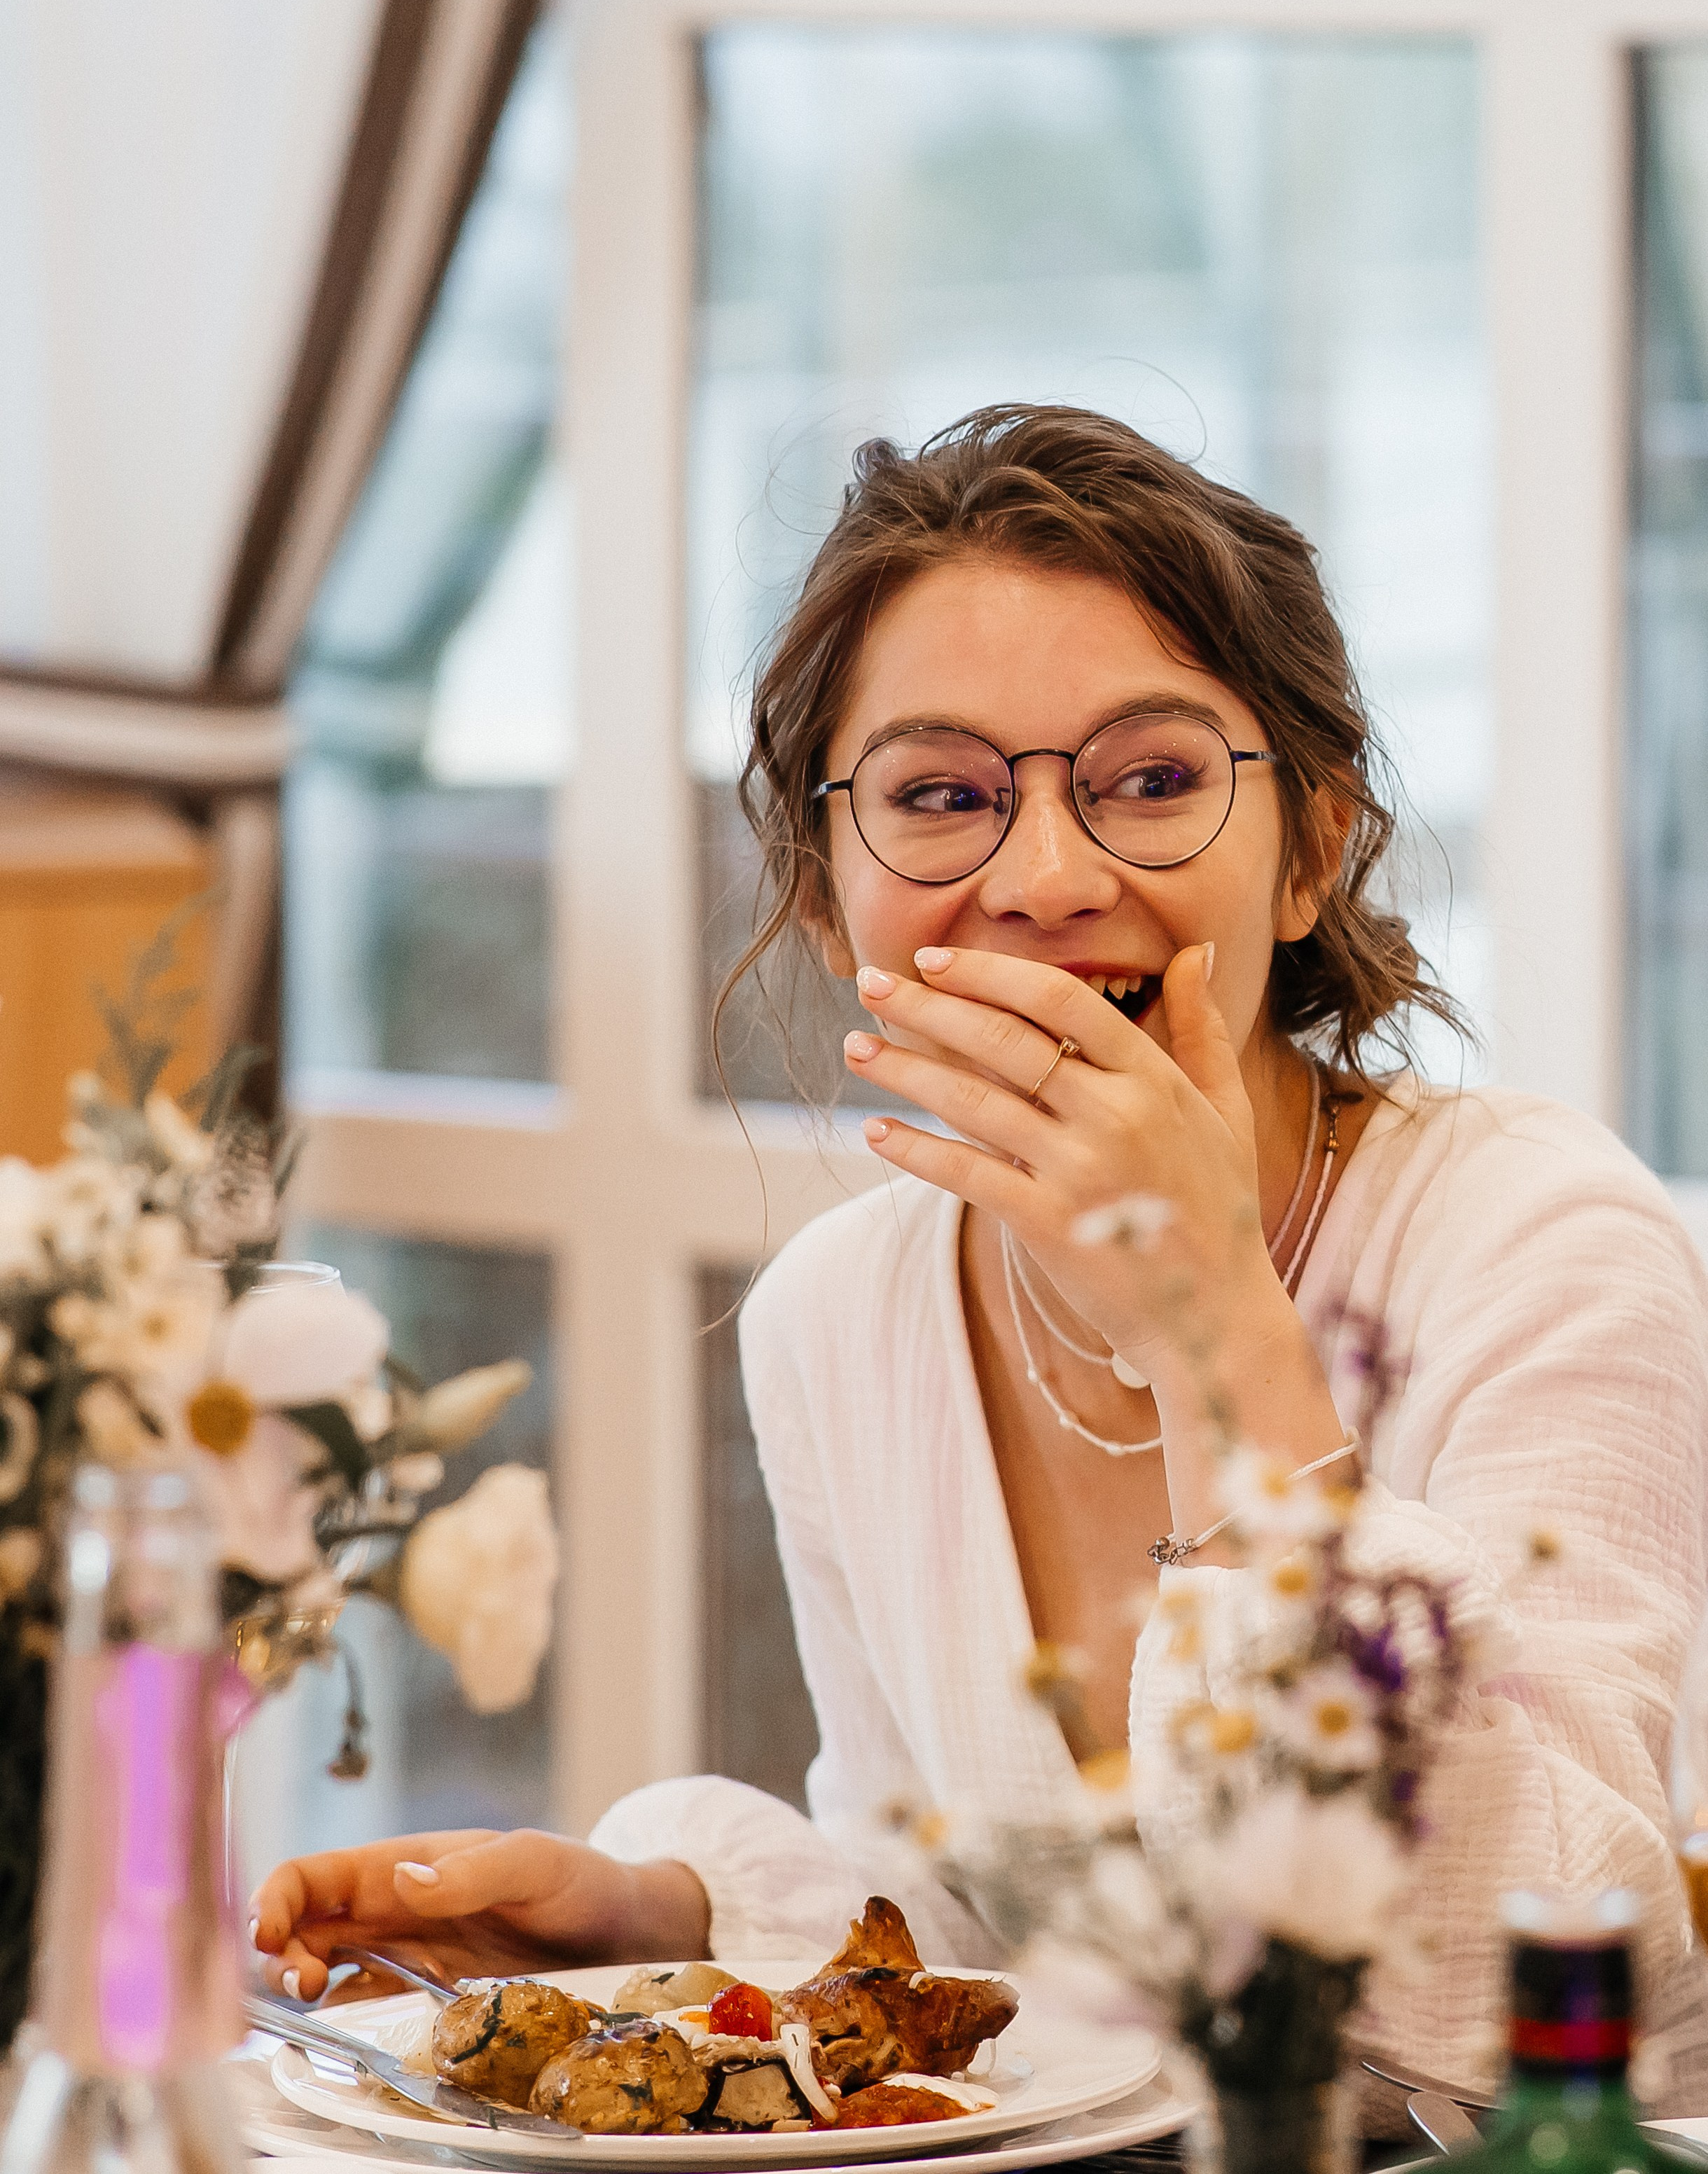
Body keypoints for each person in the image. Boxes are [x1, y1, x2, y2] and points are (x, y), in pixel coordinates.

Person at [251, 404, 1708, 2111]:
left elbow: (1509, 1997)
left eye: (1151, 781)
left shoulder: (1539, 1241)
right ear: (819, 897)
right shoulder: (841, 1314)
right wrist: (659, 1920)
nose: (1041, 875)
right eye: (938, 795)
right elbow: (988, 1931)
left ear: (1312, 848)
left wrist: (1211, 1331)